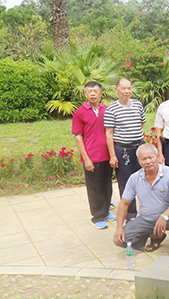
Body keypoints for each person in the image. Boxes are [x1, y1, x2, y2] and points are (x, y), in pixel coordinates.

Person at [112, 144, 169, 257]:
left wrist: (164, 216)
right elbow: (124, 203)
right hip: (147, 218)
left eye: (151, 157)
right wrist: (119, 228)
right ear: (139, 161)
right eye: (144, 159)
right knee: (121, 239)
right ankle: (156, 236)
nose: (148, 161)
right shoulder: (134, 178)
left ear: (157, 157)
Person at [72, 81, 115, 229]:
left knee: (107, 185)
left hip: (107, 155)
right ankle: (97, 217)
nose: (92, 94)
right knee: (94, 187)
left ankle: (105, 211)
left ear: (100, 93)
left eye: (95, 91)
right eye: (89, 91)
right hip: (92, 157)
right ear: (85, 94)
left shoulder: (106, 110)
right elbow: (78, 137)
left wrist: (112, 154)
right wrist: (86, 159)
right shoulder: (80, 112)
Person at [104, 78, 146, 221]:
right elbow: (109, 133)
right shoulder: (111, 109)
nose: (127, 91)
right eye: (123, 88)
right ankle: (130, 215)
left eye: (129, 88)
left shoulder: (138, 105)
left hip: (140, 148)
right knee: (126, 182)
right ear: (116, 90)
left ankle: (147, 211)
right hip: (123, 150)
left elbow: (141, 125)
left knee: (145, 179)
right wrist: (113, 155)